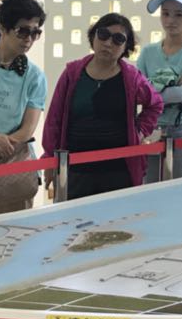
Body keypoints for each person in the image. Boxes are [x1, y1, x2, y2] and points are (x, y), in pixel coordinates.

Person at [43, 13, 163, 200]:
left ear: (126, 47)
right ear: (93, 37)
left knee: (120, 218)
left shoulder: (132, 77)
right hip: (75, 169)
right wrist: (50, 158)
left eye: (118, 39)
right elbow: (54, 120)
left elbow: (155, 104)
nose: (108, 43)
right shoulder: (72, 73)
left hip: (119, 170)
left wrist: (139, 131)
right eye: (103, 34)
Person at [0, 0, 48, 216]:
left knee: (15, 230)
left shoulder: (35, 76)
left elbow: (28, 129)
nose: (29, 39)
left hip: (14, 163)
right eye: (23, 31)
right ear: (2, 28)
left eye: (35, 32)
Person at [137, 0, 182, 181]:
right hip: (150, 128)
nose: (170, 20)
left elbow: (181, 94)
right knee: (148, 189)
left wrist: (152, 87)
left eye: (179, 14)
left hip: (181, 129)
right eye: (165, 13)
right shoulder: (148, 52)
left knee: (179, 189)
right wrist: (173, 84)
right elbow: (137, 94)